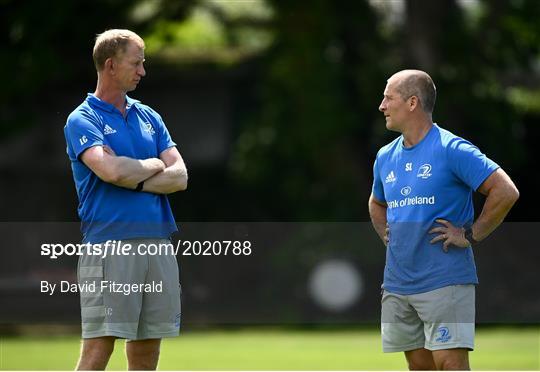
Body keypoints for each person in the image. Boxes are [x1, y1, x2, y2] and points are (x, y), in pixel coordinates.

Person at [368, 70, 519, 370]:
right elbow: (376, 203)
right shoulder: (385, 156)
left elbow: (505, 191)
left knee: (450, 365)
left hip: (444, 280)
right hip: (399, 284)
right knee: (419, 368)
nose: (382, 106)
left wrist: (471, 234)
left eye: (388, 98)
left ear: (412, 103)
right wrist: (389, 236)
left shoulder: (452, 149)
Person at [64, 29, 188, 370]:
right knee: (97, 350)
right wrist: (152, 164)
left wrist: (134, 178)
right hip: (110, 245)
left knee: (147, 351)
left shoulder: (150, 116)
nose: (142, 71)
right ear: (110, 65)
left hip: (157, 244)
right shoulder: (82, 119)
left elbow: (180, 177)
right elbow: (111, 172)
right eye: (136, 63)